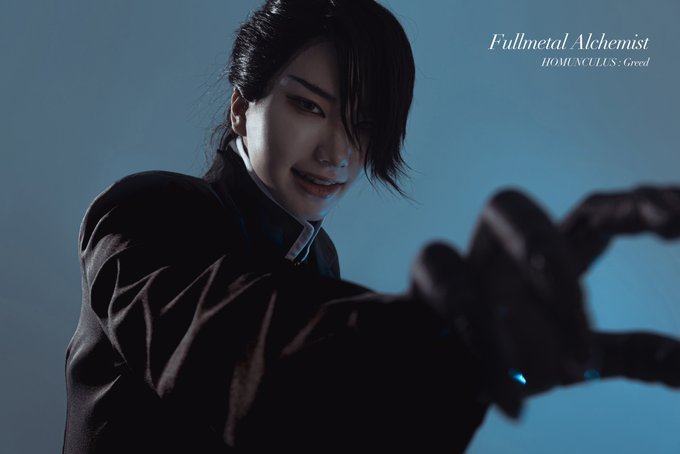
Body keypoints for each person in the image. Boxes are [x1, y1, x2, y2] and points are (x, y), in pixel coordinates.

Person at [63, 0, 680, 453]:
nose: (337, 152)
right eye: (309, 106)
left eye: (363, 124)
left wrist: (457, 372)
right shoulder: (145, 211)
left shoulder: (318, 259)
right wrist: (427, 341)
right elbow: (234, 352)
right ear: (241, 106)